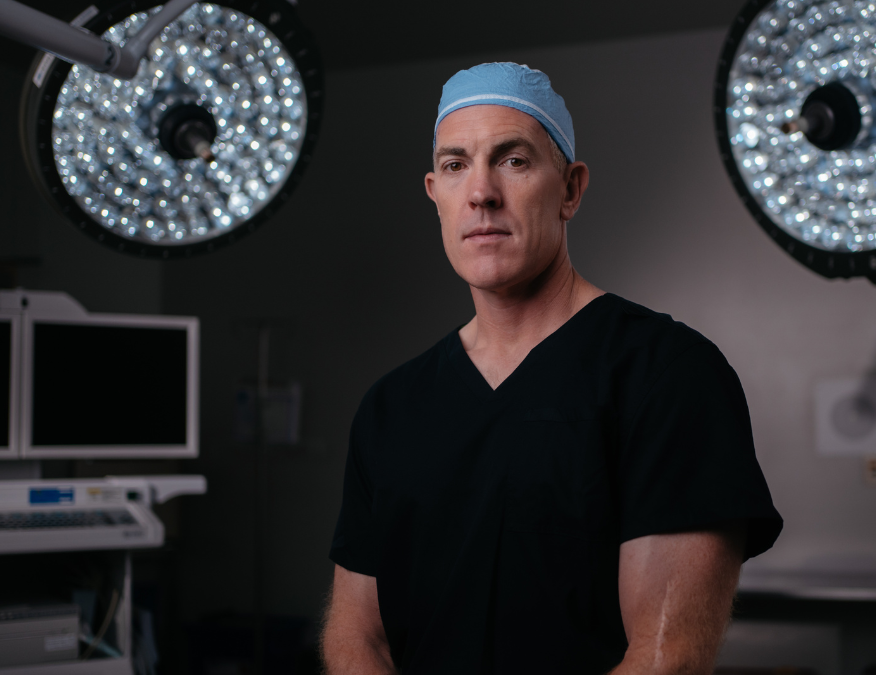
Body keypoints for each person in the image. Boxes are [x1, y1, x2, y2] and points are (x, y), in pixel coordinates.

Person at [322, 62, 782, 675]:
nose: (481, 192)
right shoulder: (392, 408)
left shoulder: (667, 376)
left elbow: (666, 659)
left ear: (570, 189)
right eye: (456, 165)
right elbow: (358, 640)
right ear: (435, 193)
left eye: (513, 160)